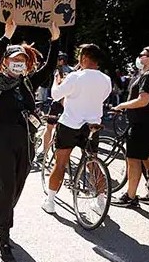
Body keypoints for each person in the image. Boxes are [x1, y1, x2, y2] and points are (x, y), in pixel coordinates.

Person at [0, 19, 60, 262]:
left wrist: (55, 39)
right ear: (6, 62)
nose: (18, 63)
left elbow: (51, 65)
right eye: (13, 59)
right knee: (5, 185)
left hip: (26, 141)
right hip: (2, 140)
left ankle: (1, 215)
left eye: (22, 60)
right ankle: (4, 239)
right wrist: (6, 36)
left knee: (17, 184)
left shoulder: (29, 82)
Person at [41, 44, 111, 216]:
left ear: (85, 57)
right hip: (92, 125)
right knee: (93, 163)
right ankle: (100, 200)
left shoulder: (75, 77)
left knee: (61, 163)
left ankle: (50, 201)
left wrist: (57, 81)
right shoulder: (106, 79)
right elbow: (102, 97)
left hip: (70, 124)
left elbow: (56, 95)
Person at [111, 46, 149, 208]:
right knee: (144, 157)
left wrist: (122, 106)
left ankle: (130, 197)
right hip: (146, 124)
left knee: (133, 160)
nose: (139, 58)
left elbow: (143, 100)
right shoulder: (146, 75)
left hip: (141, 124)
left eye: (142, 55)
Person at [38, 52, 74, 161]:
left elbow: (58, 87)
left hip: (58, 102)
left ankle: (44, 152)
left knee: (49, 127)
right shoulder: (73, 71)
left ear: (61, 60)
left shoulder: (59, 71)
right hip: (69, 104)